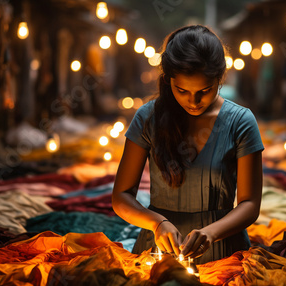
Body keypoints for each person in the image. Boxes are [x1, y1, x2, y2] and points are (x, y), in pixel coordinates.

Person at [112, 25, 264, 264]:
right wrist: (157, 222)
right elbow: (121, 196)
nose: (193, 102)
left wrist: (211, 233)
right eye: (181, 90)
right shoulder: (148, 118)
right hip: (159, 255)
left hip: (225, 255)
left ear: (220, 78)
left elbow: (250, 203)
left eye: (205, 90)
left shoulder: (240, 121)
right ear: (167, 79)